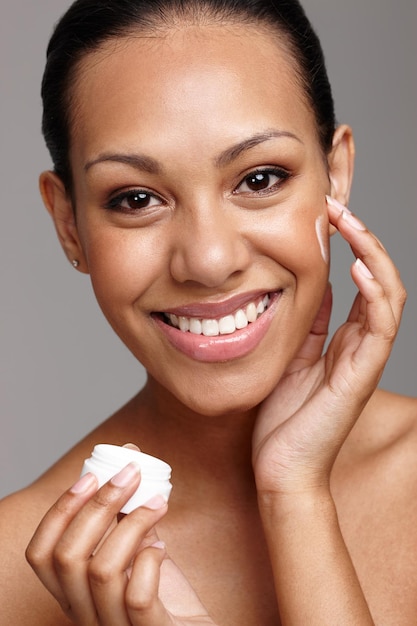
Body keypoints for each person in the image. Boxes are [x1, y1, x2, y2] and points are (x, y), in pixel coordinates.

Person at [0, 0, 416, 623]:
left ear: (336, 174)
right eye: (137, 198)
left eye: (259, 179)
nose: (209, 259)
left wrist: (295, 495)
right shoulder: (17, 571)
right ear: (69, 224)